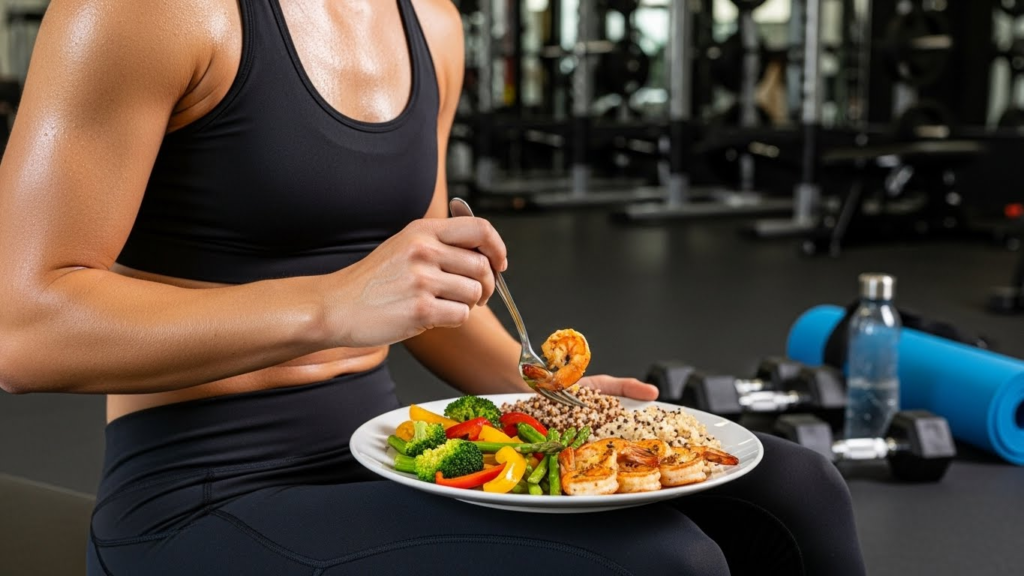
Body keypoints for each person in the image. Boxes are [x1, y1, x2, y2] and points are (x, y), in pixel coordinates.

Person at [0, 0, 866, 574]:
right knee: (660, 562)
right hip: (201, 492)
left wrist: (547, 398)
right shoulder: (151, 11)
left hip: (387, 454)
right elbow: (23, 330)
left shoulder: (429, 23)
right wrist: (334, 304)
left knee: (798, 493)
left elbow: (421, 295)